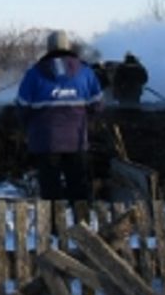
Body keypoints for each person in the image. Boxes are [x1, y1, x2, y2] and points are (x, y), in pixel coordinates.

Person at [16, 30, 103, 201]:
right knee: (78, 187)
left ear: (48, 48)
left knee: (50, 188)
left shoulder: (33, 73)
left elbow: (22, 106)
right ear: (68, 46)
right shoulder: (85, 72)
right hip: (76, 140)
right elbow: (98, 104)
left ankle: (53, 225)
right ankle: (82, 224)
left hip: (45, 141)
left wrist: (26, 126)